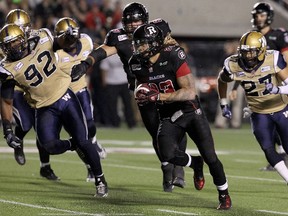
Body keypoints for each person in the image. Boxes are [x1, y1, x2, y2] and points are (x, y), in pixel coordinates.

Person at [70, 2, 190, 192]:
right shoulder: (118, 37)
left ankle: (180, 170)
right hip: (143, 90)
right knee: (157, 134)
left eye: (138, 21)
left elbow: (173, 48)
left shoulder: (158, 29)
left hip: (166, 85)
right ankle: (167, 167)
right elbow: (102, 51)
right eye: (130, 21)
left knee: (179, 126)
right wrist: (86, 64)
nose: (134, 25)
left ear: (146, 20)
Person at [130, 23, 231, 210]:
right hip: (168, 113)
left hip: (189, 110)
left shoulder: (173, 55)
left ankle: (223, 193)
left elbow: (190, 92)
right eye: (137, 44)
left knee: (210, 156)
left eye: (142, 44)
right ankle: (195, 163)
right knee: (166, 154)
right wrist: (142, 94)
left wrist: (159, 96)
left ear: (154, 43)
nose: (138, 48)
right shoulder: (136, 63)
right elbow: (141, 85)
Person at [0, 23, 108, 197]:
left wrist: (70, 36)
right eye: (8, 45)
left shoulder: (42, 38)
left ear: (24, 38)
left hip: (65, 97)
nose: (13, 47)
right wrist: (7, 129)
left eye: (16, 42)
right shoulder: (7, 68)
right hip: (43, 107)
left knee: (85, 141)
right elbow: (6, 101)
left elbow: (62, 43)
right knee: (49, 145)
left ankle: (100, 180)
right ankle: (73, 144)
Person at [217, 30, 288, 187]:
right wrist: (224, 103)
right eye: (245, 52)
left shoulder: (273, 58)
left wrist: (278, 90)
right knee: (268, 148)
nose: (248, 56)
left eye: (252, 52)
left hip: (281, 108)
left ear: (262, 50)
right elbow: (222, 80)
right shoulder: (233, 64)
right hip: (258, 112)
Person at [232, 2, 288, 171]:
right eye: (256, 15)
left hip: (280, 85)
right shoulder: (251, 38)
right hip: (262, 89)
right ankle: (281, 157)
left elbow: (286, 59)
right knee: (269, 126)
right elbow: (242, 68)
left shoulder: (277, 35)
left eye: (262, 15)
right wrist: (235, 87)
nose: (258, 18)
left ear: (269, 17)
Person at [5, 8, 59, 180]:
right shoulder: (5, 42)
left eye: (24, 27)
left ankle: (45, 166)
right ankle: (18, 143)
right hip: (18, 89)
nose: (22, 32)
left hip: (38, 86)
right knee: (26, 124)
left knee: (42, 130)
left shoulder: (40, 36)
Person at [53, 17, 107, 182]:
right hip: (63, 95)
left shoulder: (86, 41)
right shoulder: (54, 52)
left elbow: (98, 50)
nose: (69, 41)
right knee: (78, 135)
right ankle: (90, 167)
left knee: (89, 125)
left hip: (81, 90)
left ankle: (95, 141)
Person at [99, 54, 136, 128]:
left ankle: (131, 123)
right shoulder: (108, 54)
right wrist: (104, 81)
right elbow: (104, 68)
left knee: (127, 104)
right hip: (111, 82)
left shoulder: (124, 52)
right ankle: (115, 123)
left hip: (125, 82)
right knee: (112, 104)